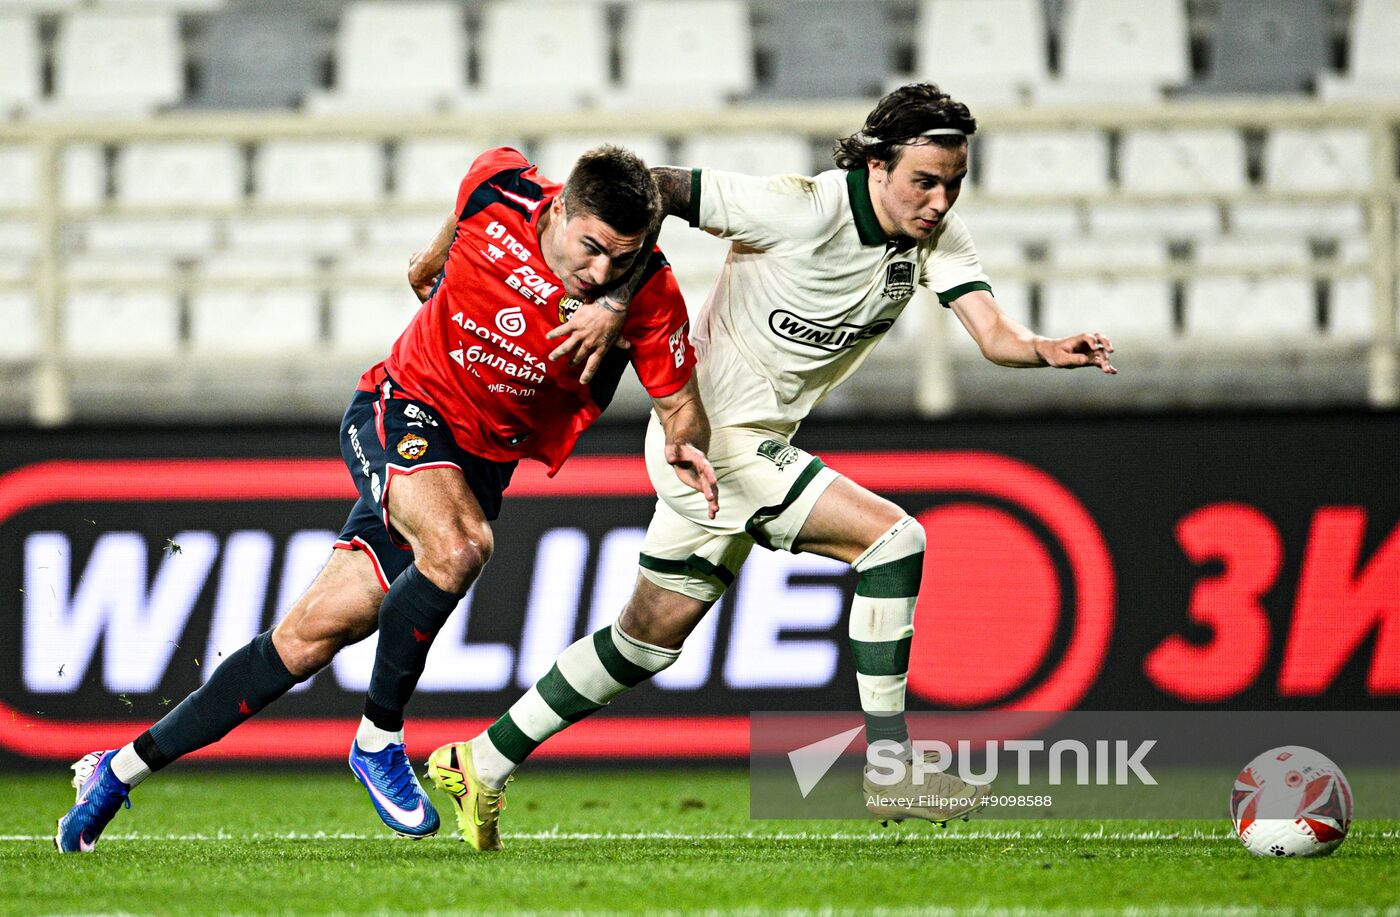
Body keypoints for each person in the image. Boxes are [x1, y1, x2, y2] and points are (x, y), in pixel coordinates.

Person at [426, 83, 1117, 850]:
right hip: (711, 438)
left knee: (643, 641)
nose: (940, 198)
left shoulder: (934, 240)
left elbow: (991, 333)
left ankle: (478, 759)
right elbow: (644, 189)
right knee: (893, 541)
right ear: (880, 164)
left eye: (955, 181)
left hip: (736, 452)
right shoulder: (800, 208)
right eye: (925, 179)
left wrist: (1047, 348)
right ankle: (891, 765)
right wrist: (618, 298)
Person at [54, 144, 719, 853]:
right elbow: (478, 183)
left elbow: (681, 405)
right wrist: (432, 256)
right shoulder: (504, 190)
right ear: (558, 209)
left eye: (621, 258)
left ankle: (115, 768)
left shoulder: (643, 298)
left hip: (475, 468)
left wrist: (682, 436)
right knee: (460, 546)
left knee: (305, 641)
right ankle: (379, 742)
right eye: (590, 249)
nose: (600, 271)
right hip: (401, 408)